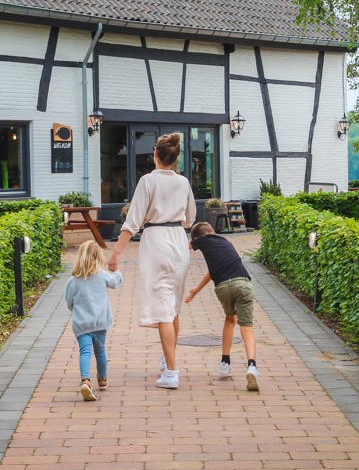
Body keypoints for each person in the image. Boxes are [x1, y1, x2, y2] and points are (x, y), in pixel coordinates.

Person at [108, 132, 196, 389]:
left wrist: (116, 253)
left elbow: (133, 221)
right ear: (175, 157)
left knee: (163, 309)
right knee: (173, 306)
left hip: (156, 241)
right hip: (178, 241)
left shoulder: (148, 181)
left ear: (155, 155)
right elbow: (190, 218)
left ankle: (171, 371)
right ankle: (168, 359)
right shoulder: (183, 182)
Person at [185, 221, 259, 391]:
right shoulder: (225, 242)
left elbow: (183, 248)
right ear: (213, 231)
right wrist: (195, 290)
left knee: (229, 320)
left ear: (198, 237)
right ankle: (252, 366)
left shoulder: (203, 240)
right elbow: (213, 270)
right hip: (243, 283)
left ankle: (225, 362)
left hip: (224, 287)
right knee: (247, 328)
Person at [65, 240, 122, 401]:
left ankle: (85, 381)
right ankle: (102, 380)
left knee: (85, 352)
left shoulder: (73, 281)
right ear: (99, 258)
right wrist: (117, 271)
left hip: (82, 324)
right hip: (100, 323)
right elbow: (115, 281)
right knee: (100, 351)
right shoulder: (102, 276)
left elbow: (69, 301)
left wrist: (76, 311)